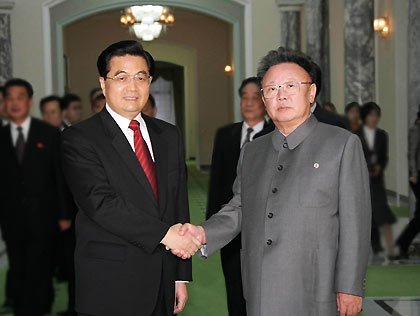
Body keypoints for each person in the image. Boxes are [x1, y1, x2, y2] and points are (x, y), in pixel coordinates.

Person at [174, 47, 371, 316]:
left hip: (317, 287)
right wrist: (202, 233)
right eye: (271, 88)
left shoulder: (341, 144)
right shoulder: (253, 151)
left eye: (291, 85)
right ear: (264, 99)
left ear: (311, 93)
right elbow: (240, 208)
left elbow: (355, 223)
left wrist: (350, 286)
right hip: (260, 285)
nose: (281, 94)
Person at [61, 40, 201, 316]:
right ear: (103, 84)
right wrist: (165, 235)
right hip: (111, 281)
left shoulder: (168, 135)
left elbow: (177, 204)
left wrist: (180, 276)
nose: (133, 87)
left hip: (162, 277)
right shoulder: (79, 138)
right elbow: (100, 203)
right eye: (121, 77)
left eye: (141, 77)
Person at [0, 78, 72, 316]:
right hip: (12, 219)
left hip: (45, 217)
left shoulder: (48, 133)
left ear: (29, 102)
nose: (14, 102)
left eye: (20, 97)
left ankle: (39, 308)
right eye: (9, 97)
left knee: (40, 269)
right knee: (19, 267)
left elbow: (58, 177)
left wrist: (64, 214)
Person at [206, 77, 274, 316]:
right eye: (244, 96)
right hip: (230, 229)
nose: (249, 102)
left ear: (265, 101)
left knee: (264, 289)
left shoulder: (277, 133)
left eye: (255, 96)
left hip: (267, 229)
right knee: (234, 287)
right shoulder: (226, 134)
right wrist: (211, 225)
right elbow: (217, 181)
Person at [357, 102, 397, 260]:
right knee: (364, 215)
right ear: (365, 116)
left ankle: (391, 249)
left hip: (377, 180)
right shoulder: (356, 135)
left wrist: (380, 166)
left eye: (376, 115)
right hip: (361, 179)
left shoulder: (382, 135)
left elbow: (384, 156)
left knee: (383, 214)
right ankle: (366, 250)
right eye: (371, 115)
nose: (374, 118)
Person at [396, 106, 420, 259]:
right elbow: (412, 152)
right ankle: (402, 245)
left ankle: (402, 245)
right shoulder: (416, 128)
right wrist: (413, 173)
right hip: (418, 176)